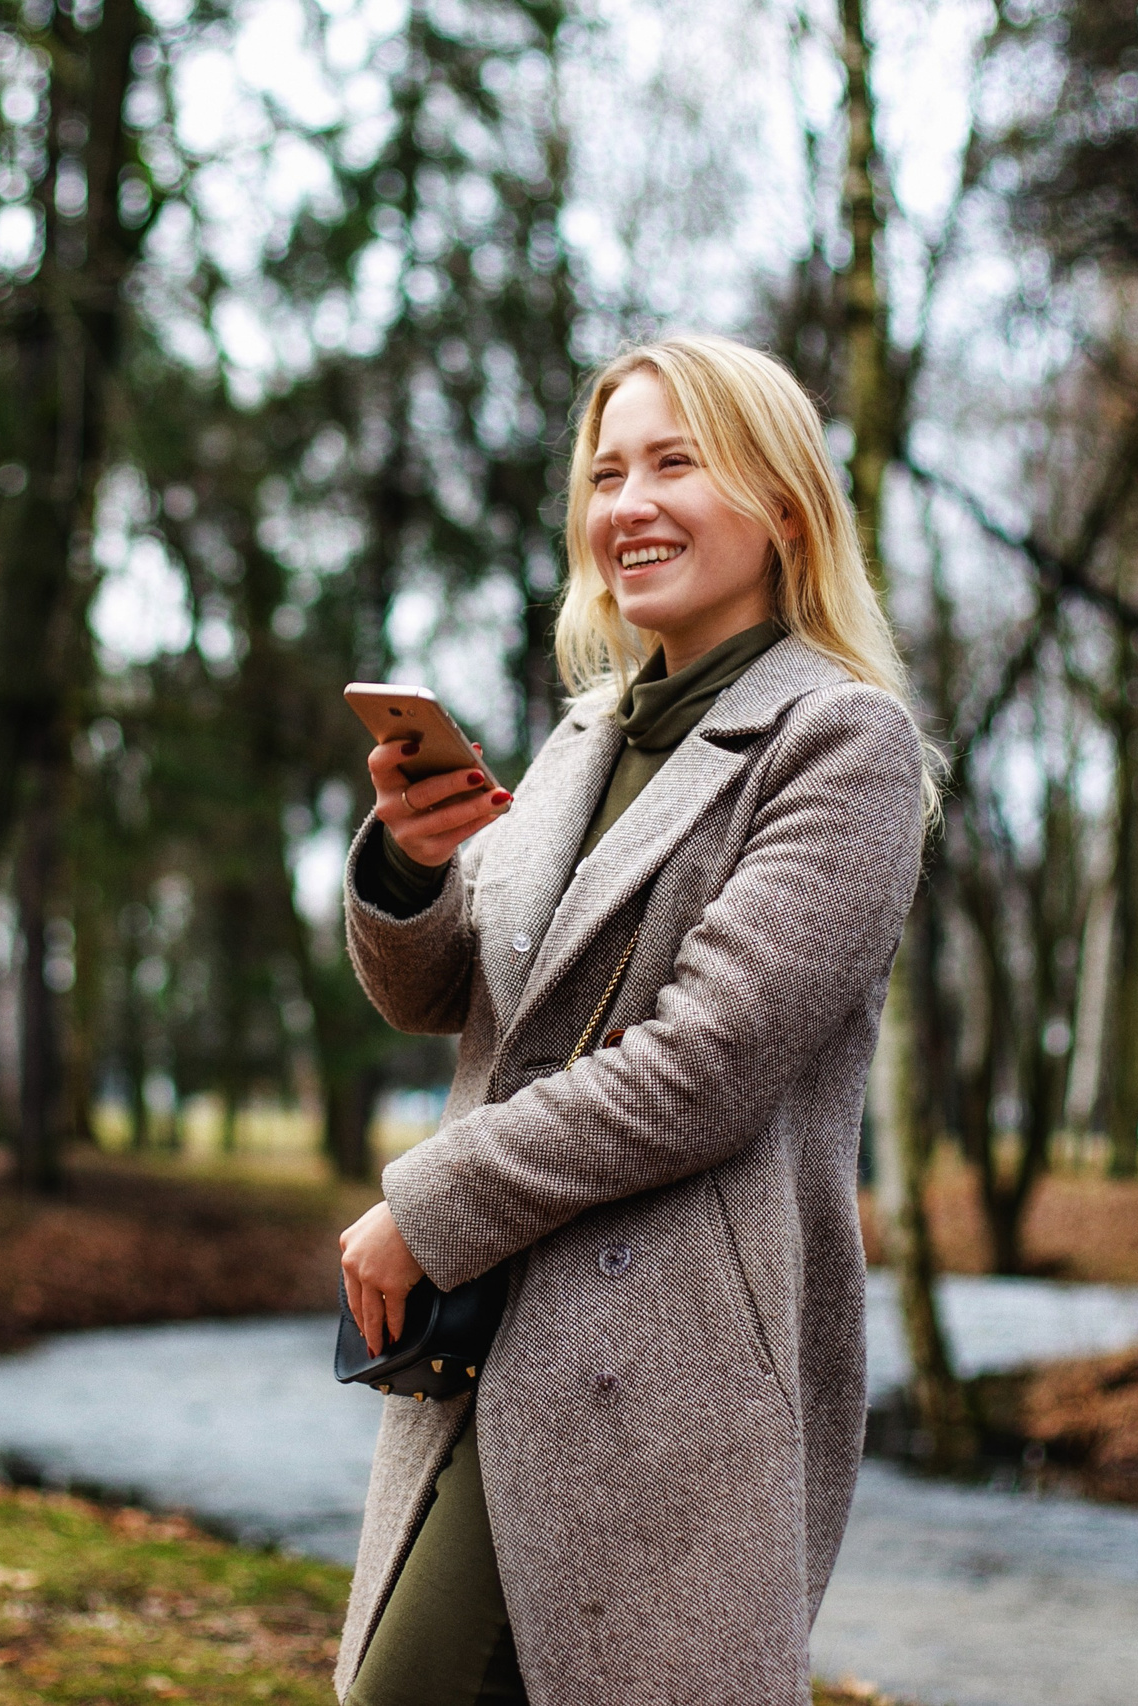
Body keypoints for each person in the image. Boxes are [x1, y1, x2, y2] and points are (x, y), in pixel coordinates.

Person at [331, 332, 934, 1705]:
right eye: (607, 473)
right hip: (488, 1342)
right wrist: (409, 864)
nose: (628, 505)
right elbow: (445, 992)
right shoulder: (585, 735)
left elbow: (702, 1068)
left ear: (784, 503)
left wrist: (431, 1200)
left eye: (676, 462)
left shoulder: (844, 743)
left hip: (661, 1369)